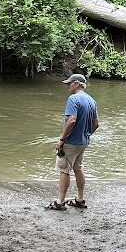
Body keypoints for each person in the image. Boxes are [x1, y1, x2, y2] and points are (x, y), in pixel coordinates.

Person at [46, 74, 99, 210]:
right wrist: (87, 134)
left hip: (70, 142)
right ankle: (80, 199)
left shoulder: (73, 99)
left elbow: (72, 120)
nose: (67, 86)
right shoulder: (91, 100)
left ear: (76, 84)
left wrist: (62, 139)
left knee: (64, 170)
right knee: (78, 168)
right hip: (83, 142)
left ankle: (60, 202)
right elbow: (96, 124)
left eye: (69, 84)